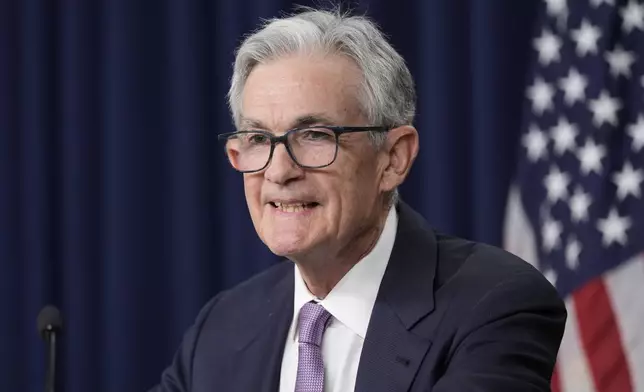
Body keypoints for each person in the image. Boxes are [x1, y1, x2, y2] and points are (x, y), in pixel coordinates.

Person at [149, 7, 566, 392]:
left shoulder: (494, 303)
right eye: (258, 139)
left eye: (313, 135)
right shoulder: (220, 329)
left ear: (393, 158)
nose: (278, 171)